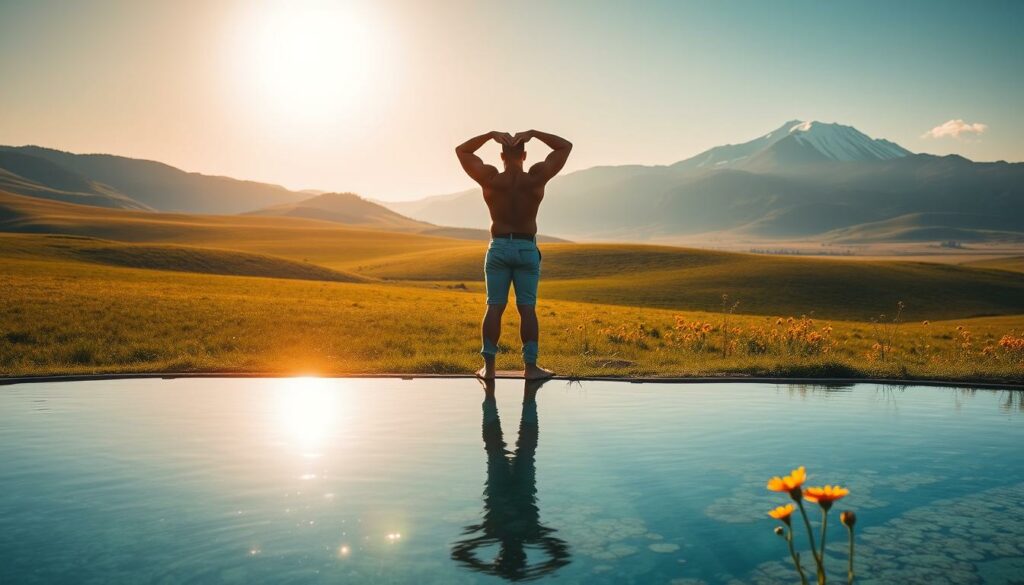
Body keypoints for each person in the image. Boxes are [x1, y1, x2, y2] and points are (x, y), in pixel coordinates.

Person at [455, 130, 572, 380]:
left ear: (501, 156)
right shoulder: (536, 177)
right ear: (525, 155)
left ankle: (489, 368)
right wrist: (533, 133)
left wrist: (489, 135)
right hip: (526, 247)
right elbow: (564, 147)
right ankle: (530, 369)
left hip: (498, 248)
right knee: (527, 309)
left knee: (494, 306)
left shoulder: (490, 179)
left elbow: (462, 151)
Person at [450, 378, 571, 580]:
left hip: (502, 486)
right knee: (515, 447)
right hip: (519, 486)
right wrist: (530, 574)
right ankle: (520, 396)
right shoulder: (526, 533)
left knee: (505, 448)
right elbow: (561, 555)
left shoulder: (496, 532)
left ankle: (495, 395)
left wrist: (489, 565)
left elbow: (459, 553)